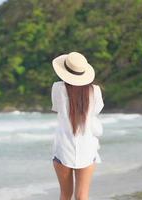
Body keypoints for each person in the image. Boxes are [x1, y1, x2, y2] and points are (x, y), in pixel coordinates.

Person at [51, 51, 104, 200]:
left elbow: (57, 109)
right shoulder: (95, 91)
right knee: (82, 196)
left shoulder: (57, 88)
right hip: (87, 148)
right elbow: (96, 111)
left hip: (63, 148)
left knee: (65, 195)